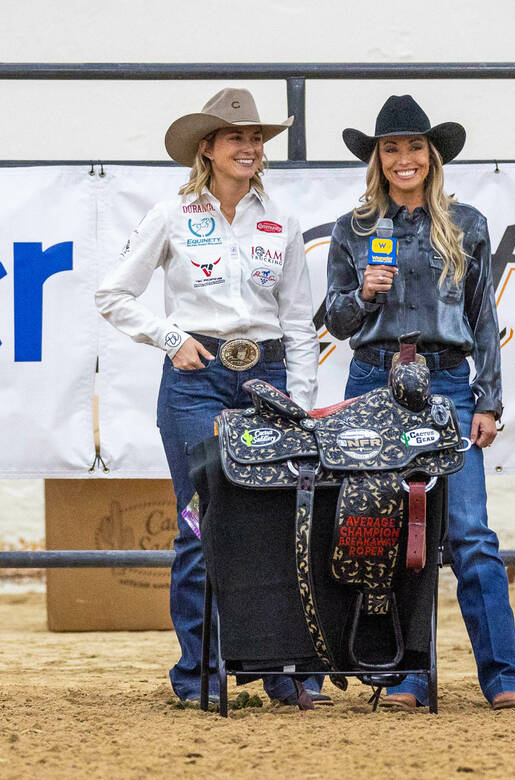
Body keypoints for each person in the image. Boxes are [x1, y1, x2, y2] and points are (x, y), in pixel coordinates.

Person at [95, 88, 323, 706]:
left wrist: (298, 401)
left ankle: (283, 671)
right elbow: (113, 293)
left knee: (279, 525)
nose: (249, 147)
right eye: (235, 138)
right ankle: (200, 673)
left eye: (255, 139)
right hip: (196, 379)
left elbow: (299, 321)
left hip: (267, 377)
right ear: (209, 149)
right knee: (201, 525)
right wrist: (170, 337)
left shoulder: (282, 221)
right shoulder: (171, 216)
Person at [323, 95, 515, 711]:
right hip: (373, 381)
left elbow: (483, 318)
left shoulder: (467, 224)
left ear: (432, 156)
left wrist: (487, 399)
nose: (403, 159)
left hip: (445, 382)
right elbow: (333, 319)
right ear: (378, 160)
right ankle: (403, 673)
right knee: (383, 530)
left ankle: (503, 676)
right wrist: (362, 294)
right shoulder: (352, 229)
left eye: (414, 147)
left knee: (468, 533)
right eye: (391, 149)